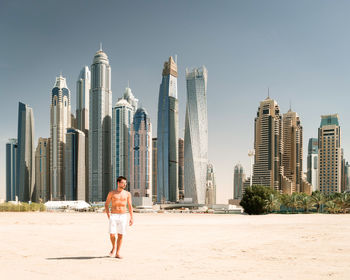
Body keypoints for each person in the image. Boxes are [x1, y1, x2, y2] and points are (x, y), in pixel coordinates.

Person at [105, 176, 134, 258]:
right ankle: (114, 246)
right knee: (112, 234)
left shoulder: (127, 194)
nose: (125, 184)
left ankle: (117, 253)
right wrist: (108, 215)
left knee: (121, 234)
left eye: (125, 183)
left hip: (123, 215)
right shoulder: (112, 193)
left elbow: (130, 206)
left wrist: (132, 217)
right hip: (113, 215)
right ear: (118, 183)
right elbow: (106, 204)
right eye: (123, 183)